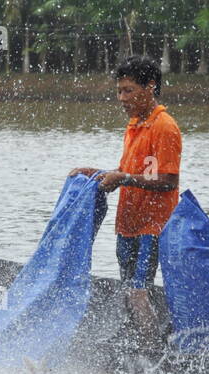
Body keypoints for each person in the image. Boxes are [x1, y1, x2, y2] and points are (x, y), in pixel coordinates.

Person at [70, 55, 182, 351]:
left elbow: (168, 180)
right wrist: (95, 173)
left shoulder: (164, 127)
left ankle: (151, 348)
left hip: (152, 225)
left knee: (137, 290)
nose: (122, 98)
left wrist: (122, 179)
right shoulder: (134, 124)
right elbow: (130, 171)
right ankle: (130, 337)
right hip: (128, 223)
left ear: (150, 86)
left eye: (129, 90)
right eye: (119, 91)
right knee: (126, 287)